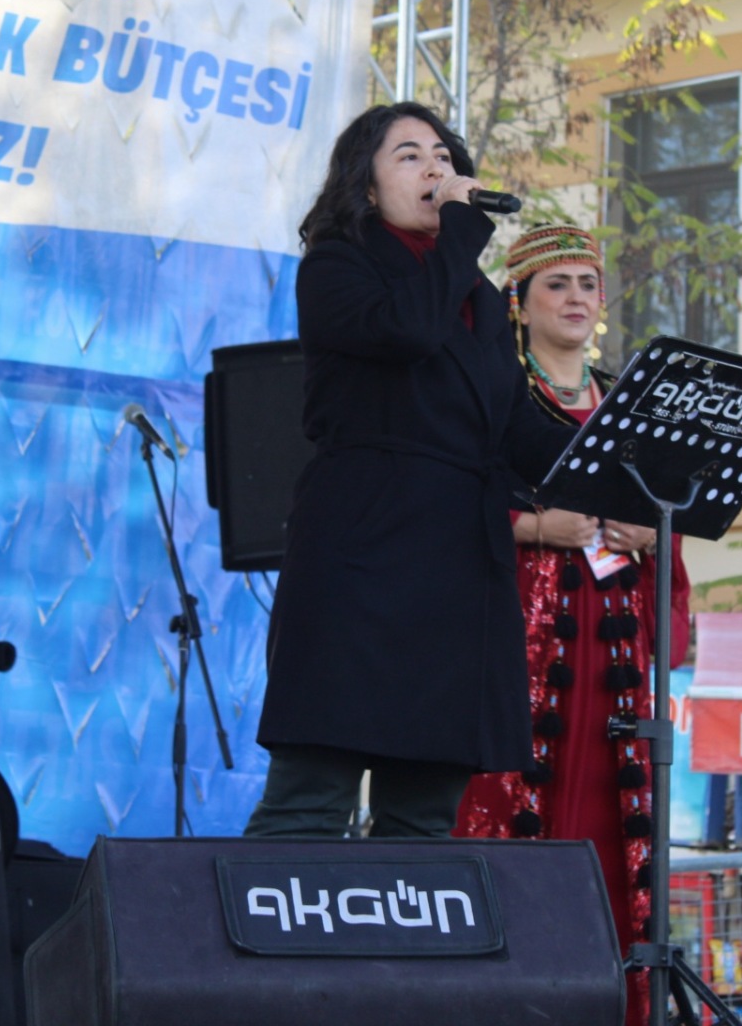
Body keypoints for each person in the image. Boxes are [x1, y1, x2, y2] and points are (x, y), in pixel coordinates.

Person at [245, 103, 576, 839]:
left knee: (424, 815)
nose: (436, 168)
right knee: (310, 800)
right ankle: (272, 919)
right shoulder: (336, 266)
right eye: (410, 156)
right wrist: (462, 231)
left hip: (459, 566)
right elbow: (408, 331)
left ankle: (406, 925)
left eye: (443, 156)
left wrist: (618, 464)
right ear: (365, 187)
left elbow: (514, 426)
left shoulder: (480, 299)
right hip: (362, 550)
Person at [452, 221, 692, 1022]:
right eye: (557, 284)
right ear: (518, 304)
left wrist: (651, 533)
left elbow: (671, 519)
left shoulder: (629, 402)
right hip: (524, 635)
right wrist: (533, 528)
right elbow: (451, 509)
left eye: (588, 284)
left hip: (612, 630)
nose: (577, 298)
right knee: (516, 800)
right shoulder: (495, 393)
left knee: (614, 813)